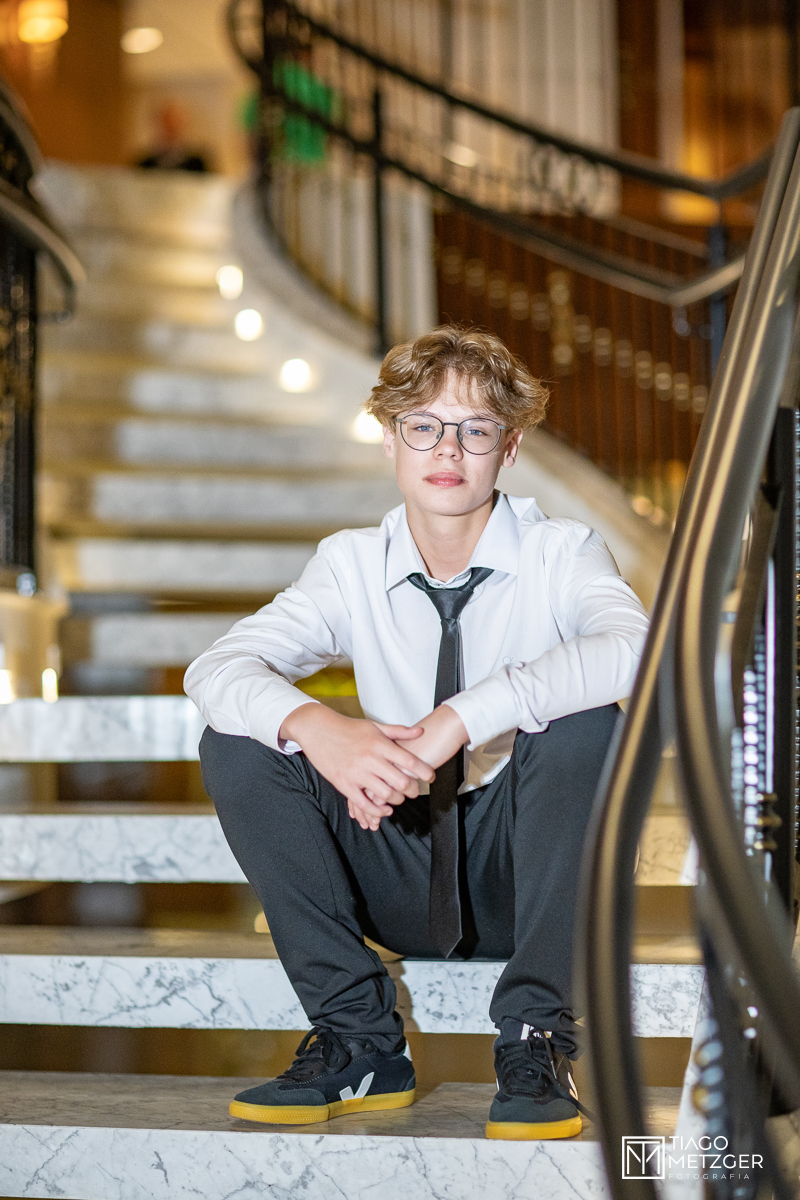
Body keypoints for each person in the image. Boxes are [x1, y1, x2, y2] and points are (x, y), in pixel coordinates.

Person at [185, 325, 649, 1140]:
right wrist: (320, 729)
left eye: (476, 430)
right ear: (390, 438)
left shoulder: (561, 551)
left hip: (524, 878)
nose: (448, 450)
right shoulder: (351, 564)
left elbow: (638, 649)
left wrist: (462, 719)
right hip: (391, 861)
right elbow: (216, 668)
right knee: (240, 737)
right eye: (423, 425)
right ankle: (359, 1039)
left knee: (584, 725)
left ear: (509, 447)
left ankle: (538, 1035)